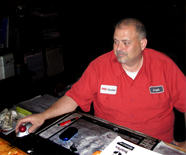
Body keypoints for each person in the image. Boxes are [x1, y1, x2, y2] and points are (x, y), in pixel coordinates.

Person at [15, 18, 186, 149]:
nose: (118, 48)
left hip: (154, 147)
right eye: (115, 41)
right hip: (109, 144)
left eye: (126, 43)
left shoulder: (164, 66)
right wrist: (42, 116)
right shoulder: (99, 66)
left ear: (142, 44)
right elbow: (73, 98)